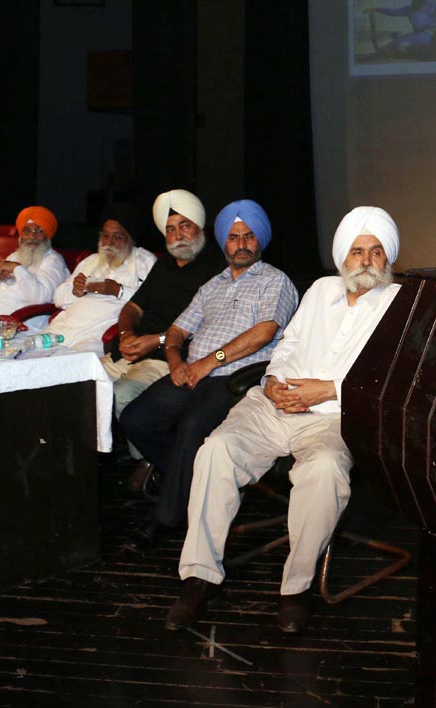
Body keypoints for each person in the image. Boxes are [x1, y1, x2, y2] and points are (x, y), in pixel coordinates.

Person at [167, 206, 401, 634]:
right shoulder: (319, 291)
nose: (365, 261)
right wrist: (273, 379)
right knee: (216, 450)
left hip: (336, 416)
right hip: (272, 404)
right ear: (341, 258)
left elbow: (398, 379)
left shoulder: (398, 304)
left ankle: (295, 588)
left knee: (324, 470)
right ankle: (199, 577)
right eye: (356, 252)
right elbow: (288, 343)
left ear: (388, 259)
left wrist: (328, 390)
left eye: (376, 252)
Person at [120, 199, 298, 550]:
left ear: (259, 240)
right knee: (135, 418)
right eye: (233, 238)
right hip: (192, 374)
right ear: (224, 242)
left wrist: (209, 362)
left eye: (248, 236)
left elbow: (264, 332)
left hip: (239, 379)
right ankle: (195, 485)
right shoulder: (212, 285)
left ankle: (165, 518)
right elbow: (176, 331)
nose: (241, 244)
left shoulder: (275, 281)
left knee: (190, 428)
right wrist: (174, 360)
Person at [103, 190, 224, 487]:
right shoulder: (165, 265)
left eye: (185, 225)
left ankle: (148, 459)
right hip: (133, 350)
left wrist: (153, 341)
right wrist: (126, 333)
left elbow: (210, 328)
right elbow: (132, 307)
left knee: (122, 393)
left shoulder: (217, 267)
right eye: (170, 229)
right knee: (82, 385)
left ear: (199, 226)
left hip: (169, 357)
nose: (178, 235)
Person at [47, 204, 157, 355]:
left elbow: (152, 302)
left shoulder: (144, 261)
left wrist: (118, 291)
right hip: (63, 328)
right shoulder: (90, 261)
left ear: (130, 240)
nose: (109, 242)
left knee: (65, 367)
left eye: (118, 237)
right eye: (105, 235)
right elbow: (58, 299)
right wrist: (76, 291)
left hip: (96, 336)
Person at [0, 206, 69, 330]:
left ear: (48, 235)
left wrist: (17, 268)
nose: (32, 236)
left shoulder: (53, 261)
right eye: (27, 231)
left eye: (39, 230)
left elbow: (41, 297)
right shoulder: (15, 256)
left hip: (21, 324)